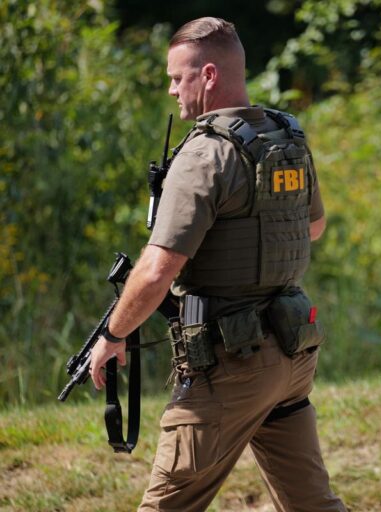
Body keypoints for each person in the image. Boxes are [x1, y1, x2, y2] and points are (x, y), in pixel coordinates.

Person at [88, 16, 346, 512]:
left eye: (176, 77)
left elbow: (157, 269)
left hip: (232, 365)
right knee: (312, 506)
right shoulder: (285, 136)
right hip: (292, 353)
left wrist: (114, 334)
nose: (171, 90)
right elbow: (313, 227)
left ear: (208, 75)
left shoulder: (205, 155)